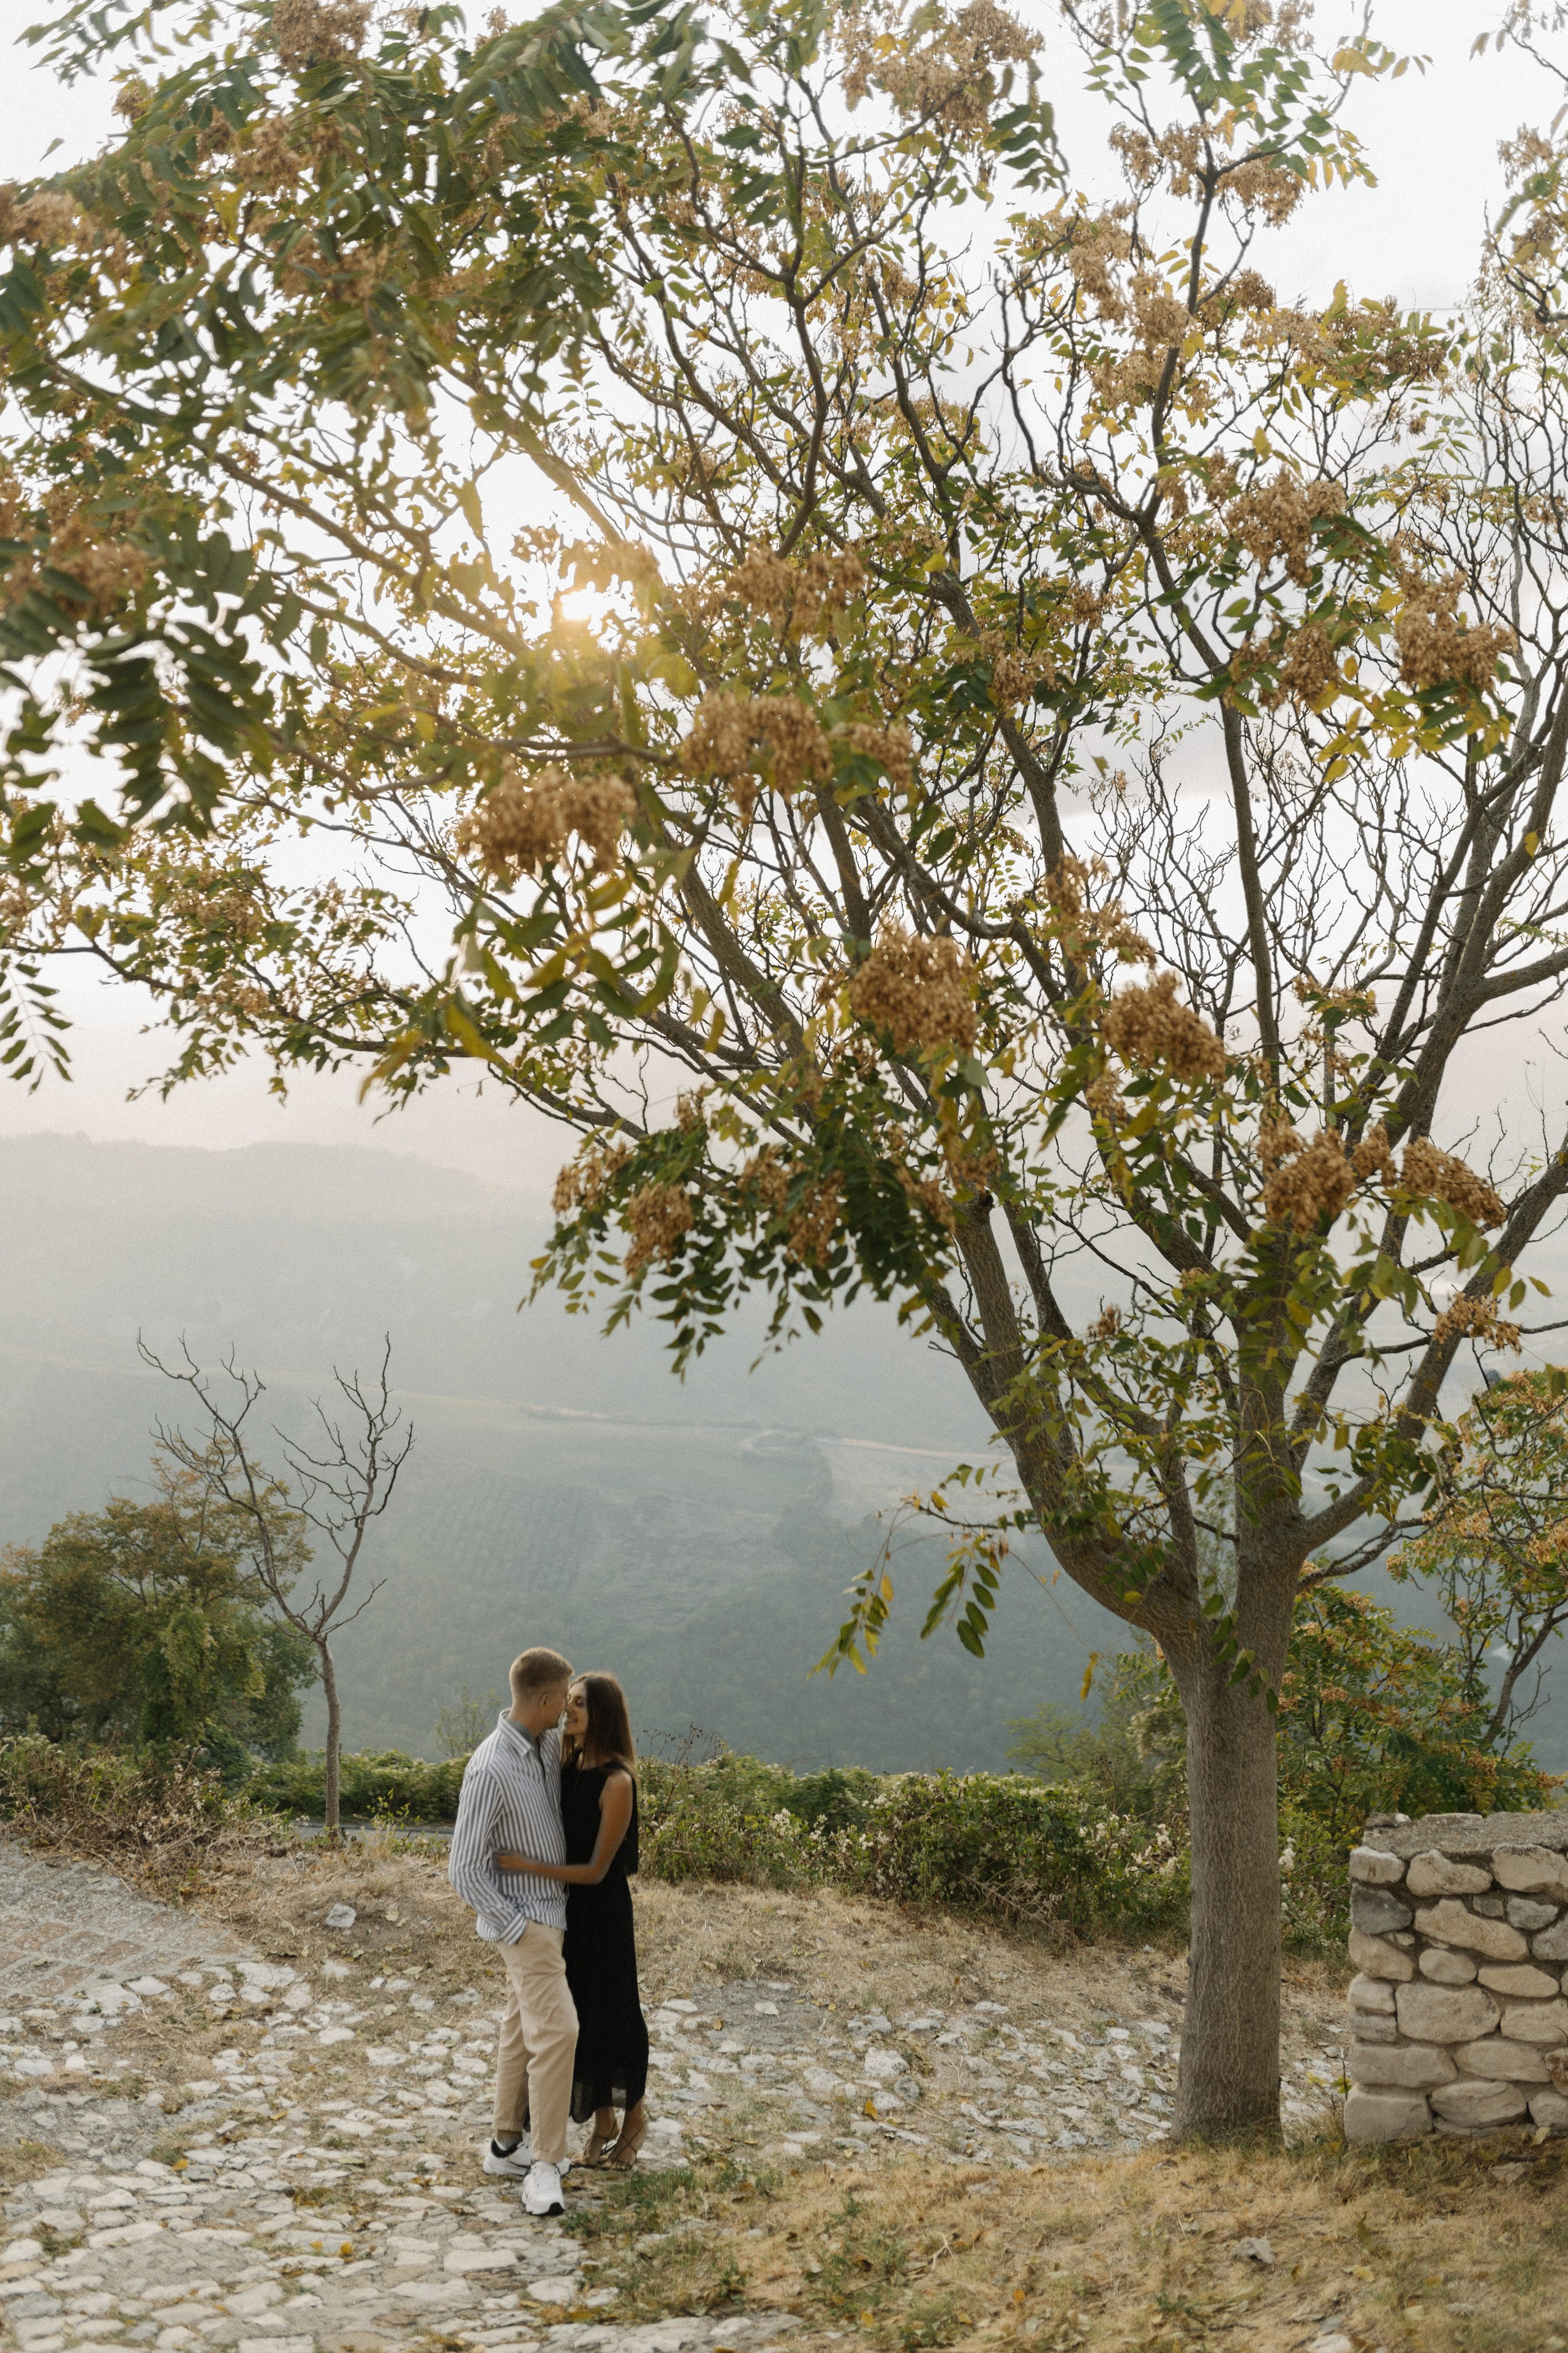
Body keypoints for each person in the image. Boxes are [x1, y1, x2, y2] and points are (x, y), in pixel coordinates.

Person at [496, 1671, 649, 2168]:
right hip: (565, 1911)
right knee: (580, 2016)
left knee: (614, 2015)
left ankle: (635, 2118)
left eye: (580, 1703)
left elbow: (597, 1869)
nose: (569, 1709)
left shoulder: (617, 1781)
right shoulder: (566, 1764)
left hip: (601, 1911)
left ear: (602, 1712)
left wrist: (527, 1865)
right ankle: (603, 2120)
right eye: (568, 1701)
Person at [447, 1644, 576, 2218]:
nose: (567, 1713)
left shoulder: (545, 1743)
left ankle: (505, 2144)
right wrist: (516, 1927)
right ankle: (545, 2166)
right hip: (527, 1921)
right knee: (559, 2033)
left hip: (553, 1913)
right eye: (564, 1702)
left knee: (521, 2028)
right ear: (546, 1699)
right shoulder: (491, 1766)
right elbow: (465, 1867)